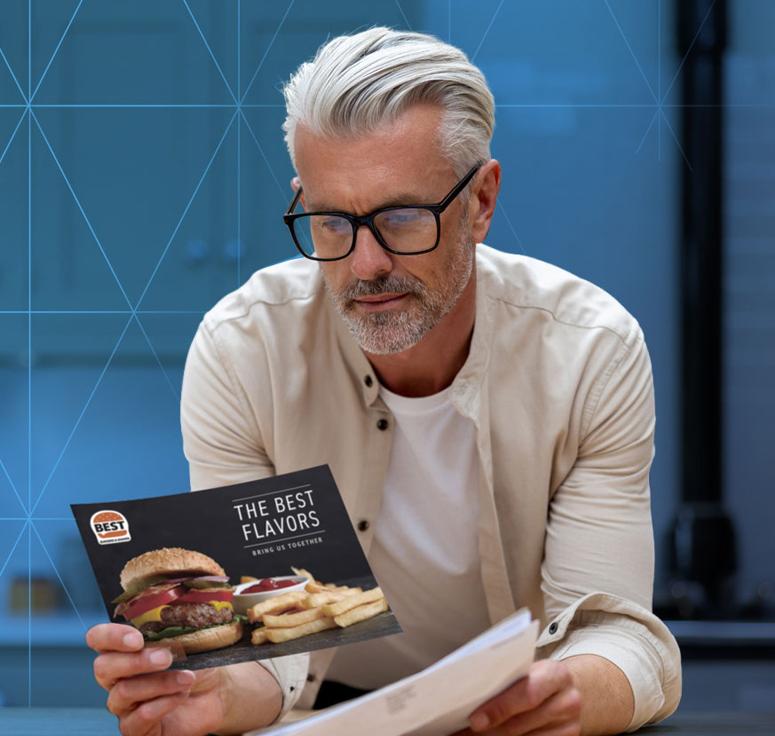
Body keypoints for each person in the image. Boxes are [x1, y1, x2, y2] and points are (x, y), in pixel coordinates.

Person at [87, 27, 681, 736]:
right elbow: (262, 639)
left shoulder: (591, 352)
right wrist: (210, 696)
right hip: (318, 711)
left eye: (402, 217)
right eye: (333, 222)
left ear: (482, 202)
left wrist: (571, 693)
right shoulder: (243, 348)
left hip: (512, 712)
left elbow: (613, 630)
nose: (364, 264)